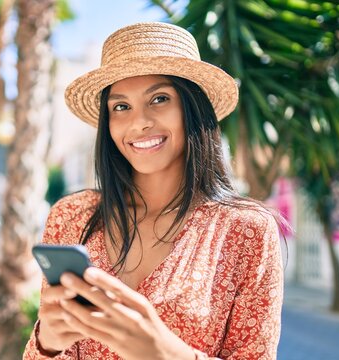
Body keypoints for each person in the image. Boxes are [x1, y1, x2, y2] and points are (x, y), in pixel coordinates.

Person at [23, 22, 284, 360]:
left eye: (159, 99)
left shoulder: (246, 231)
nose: (139, 122)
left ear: (191, 108)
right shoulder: (72, 216)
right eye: (120, 106)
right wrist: (47, 343)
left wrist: (165, 352)